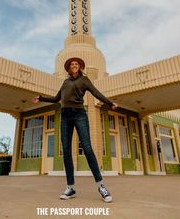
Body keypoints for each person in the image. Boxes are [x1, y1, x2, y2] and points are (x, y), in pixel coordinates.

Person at [32, 57, 118, 202]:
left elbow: (96, 93)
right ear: (68, 68)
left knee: (87, 148)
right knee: (66, 151)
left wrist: (110, 103)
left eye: (76, 64)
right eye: (72, 64)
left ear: (80, 67)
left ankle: (101, 186)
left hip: (79, 115)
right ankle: (70, 187)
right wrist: (40, 98)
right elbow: (56, 99)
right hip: (65, 116)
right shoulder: (65, 82)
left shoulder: (84, 80)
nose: (74, 65)